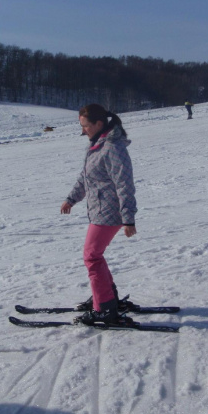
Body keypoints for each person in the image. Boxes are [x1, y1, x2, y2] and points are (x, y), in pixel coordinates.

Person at [60, 104, 138, 327]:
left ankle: (104, 308)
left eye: (85, 126)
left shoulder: (113, 147)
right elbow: (85, 178)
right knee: (95, 255)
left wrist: (128, 218)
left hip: (110, 212)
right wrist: (71, 199)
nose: (83, 130)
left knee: (91, 257)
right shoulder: (96, 145)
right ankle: (106, 298)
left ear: (99, 124)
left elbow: (125, 184)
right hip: (99, 210)